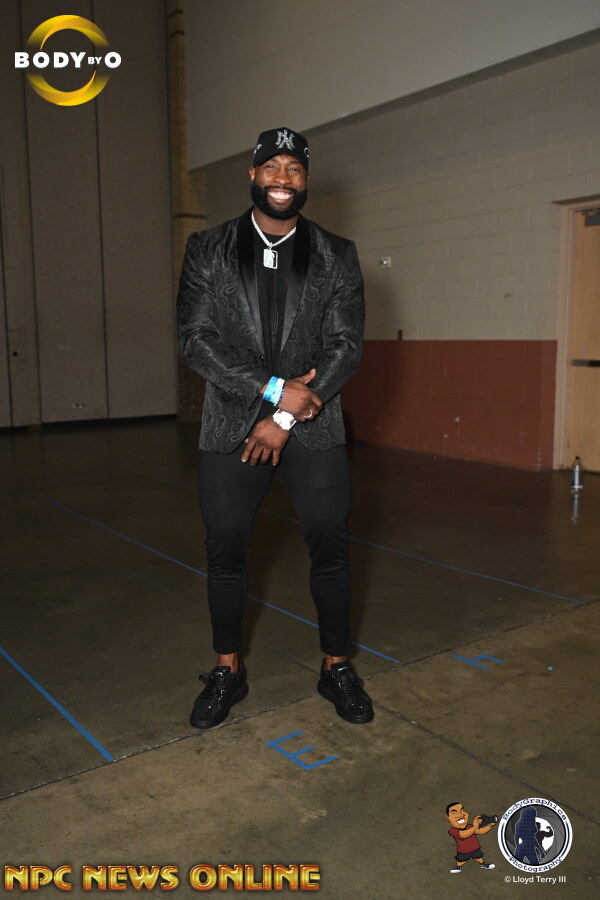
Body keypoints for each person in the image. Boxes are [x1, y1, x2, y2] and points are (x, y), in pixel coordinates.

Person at [177, 126, 373, 730]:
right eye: (272, 167)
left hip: (312, 423)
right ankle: (227, 671)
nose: (282, 178)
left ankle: (336, 666)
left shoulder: (337, 253)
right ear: (253, 175)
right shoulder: (208, 248)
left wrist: (285, 414)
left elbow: (346, 345)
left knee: (330, 545)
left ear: (305, 180)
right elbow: (195, 340)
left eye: (294, 168)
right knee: (225, 549)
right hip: (231, 424)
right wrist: (269, 391)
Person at [446, 803, 496, 874]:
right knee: (460, 860)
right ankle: (458, 867)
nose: (460, 815)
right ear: (448, 817)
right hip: (463, 851)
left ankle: (483, 864)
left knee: (479, 858)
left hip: (475, 849)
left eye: (461, 811)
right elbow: (464, 835)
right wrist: (475, 827)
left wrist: (489, 826)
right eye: (454, 813)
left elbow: (480, 831)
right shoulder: (453, 831)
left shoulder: (470, 827)